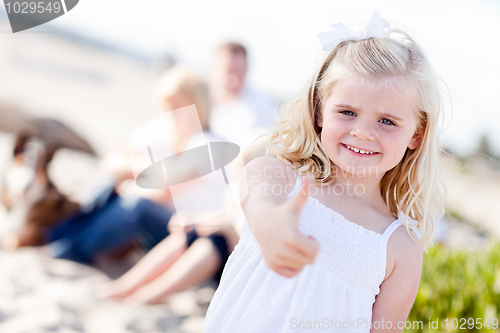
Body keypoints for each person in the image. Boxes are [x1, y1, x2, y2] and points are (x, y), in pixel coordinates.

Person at [203, 13, 447, 332]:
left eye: (387, 121)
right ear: (319, 110)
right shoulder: (276, 177)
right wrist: (270, 228)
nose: (362, 132)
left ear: (416, 134)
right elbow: (260, 207)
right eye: (347, 112)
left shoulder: (400, 248)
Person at [102, 64, 240, 304]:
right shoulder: (175, 136)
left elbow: (165, 188)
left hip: (210, 234)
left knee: (144, 207)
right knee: (107, 190)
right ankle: (124, 289)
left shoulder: (207, 143)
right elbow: (115, 158)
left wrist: (133, 181)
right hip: (191, 223)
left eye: (176, 107)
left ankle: (143, 296)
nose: (169, 113)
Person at [209, 42, 276, 150]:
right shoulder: (195, 100)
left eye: (239, 72)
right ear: (212, 70)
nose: (234, 80)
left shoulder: (263, 110)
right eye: (228, 71)